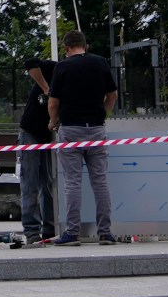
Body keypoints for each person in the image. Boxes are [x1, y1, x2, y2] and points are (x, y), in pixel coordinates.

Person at [48, 29, 118, 244]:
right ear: (86, 46)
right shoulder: (101, 63)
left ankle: (72, 233)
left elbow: (53, 102)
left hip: (71, 129)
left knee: (72, 183)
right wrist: (102, 113)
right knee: (100, 182)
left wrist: (54, 121)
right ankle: (105, 232)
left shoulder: (63, 67)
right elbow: (112, 94)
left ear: (67, 48)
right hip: (96, 129)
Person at [16, 57, 58, 242]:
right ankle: (32, 230)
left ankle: (50, 227)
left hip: (50, 135)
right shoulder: (54, 68)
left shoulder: (73, 78)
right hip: (31, 131)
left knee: (48, 182)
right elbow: (30, 63)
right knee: (30, 182)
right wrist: (46, 88)